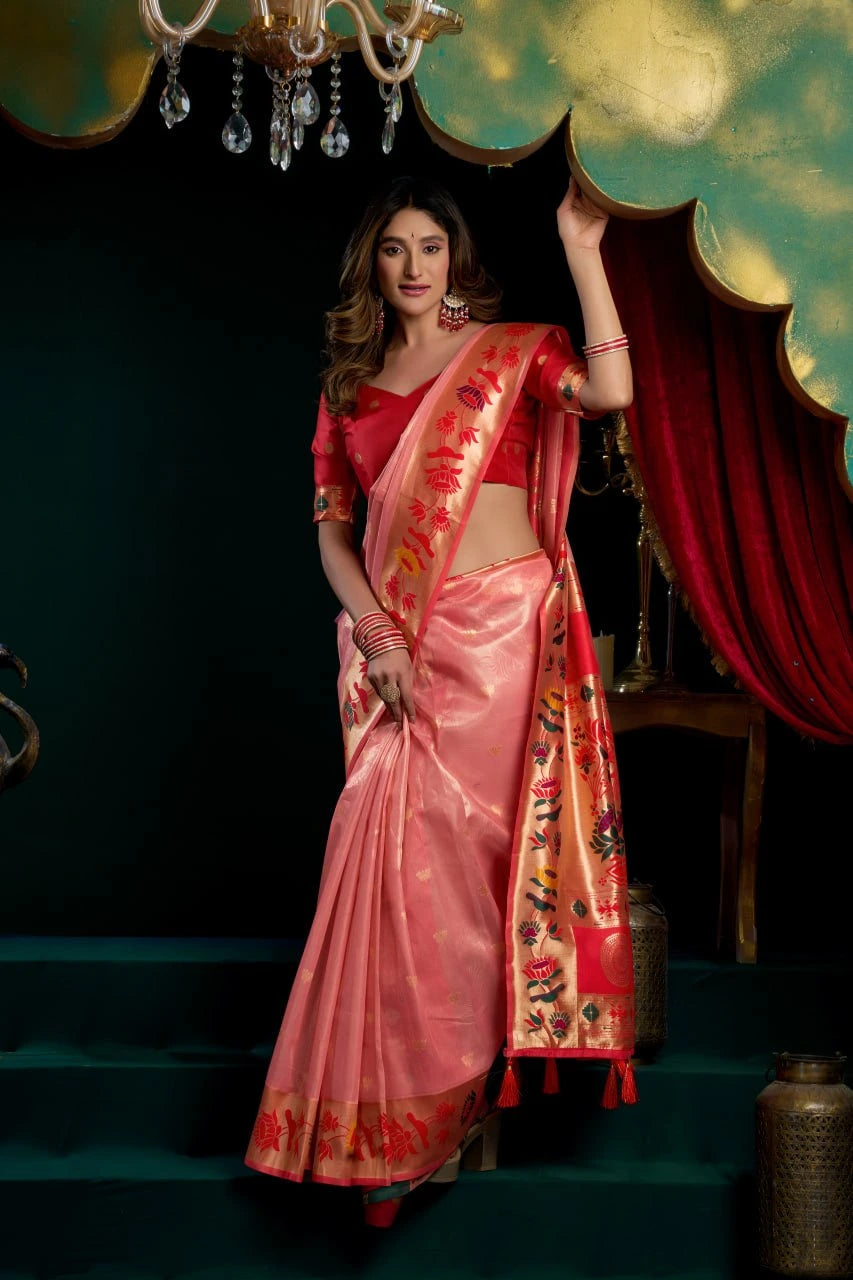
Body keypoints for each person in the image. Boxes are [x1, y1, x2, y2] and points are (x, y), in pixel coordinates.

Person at [245, 174, 636, 1226]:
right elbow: (333, 530)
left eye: (429, 247)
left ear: (453, 260)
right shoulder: (347, 386)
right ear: (371, 266)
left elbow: (610, 398)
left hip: (504, 635)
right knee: (389, 879)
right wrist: (376, 633)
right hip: (402, 649)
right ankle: (396, 1118)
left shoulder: (508, 355)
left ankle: (460, 1106)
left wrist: (580, 249)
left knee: (471, 879)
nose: (413, 267)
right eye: (393, 250)